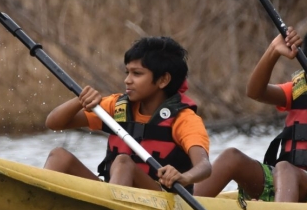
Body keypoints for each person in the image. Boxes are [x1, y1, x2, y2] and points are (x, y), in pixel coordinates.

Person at [44, 36, 211, 193]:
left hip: (162, 201)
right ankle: (38, 203)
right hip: (113, 193)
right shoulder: (117, 106)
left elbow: (204, 166)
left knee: (124, 162)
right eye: (127, 72)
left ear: (163, 80)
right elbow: (54, 123)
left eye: (137, 74)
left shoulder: (184, 119)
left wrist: (184, 177)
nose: (127, 80)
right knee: (59, 156)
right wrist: (80, 100)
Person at [194, 26, 307, 203]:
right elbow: (255, 92)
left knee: (286, 168)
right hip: (283, 182)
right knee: (231, 158)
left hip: (295, 182)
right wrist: (273, 50)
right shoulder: (299, 90)